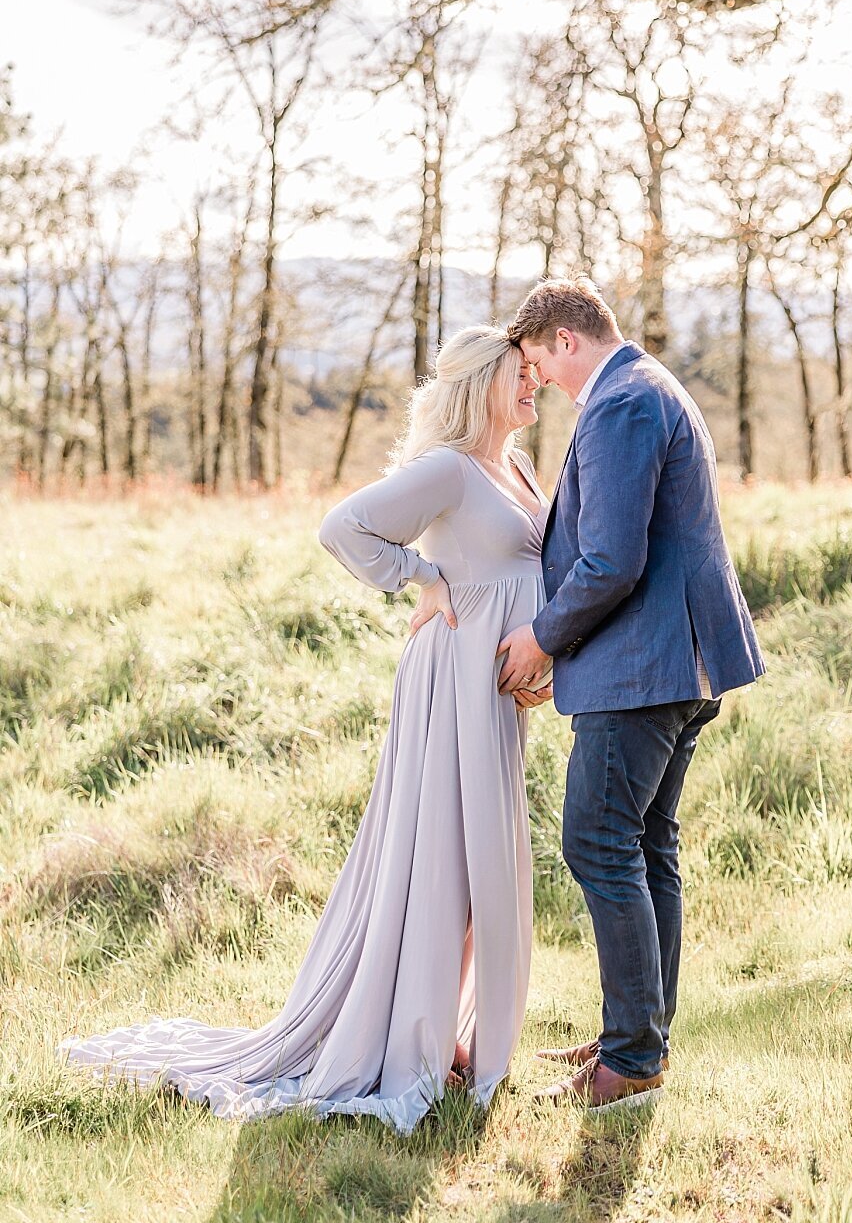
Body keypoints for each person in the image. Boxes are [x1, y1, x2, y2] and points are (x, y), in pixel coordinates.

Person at [57, 327, 553, 1135]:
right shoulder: (449, 470)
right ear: (480, 385)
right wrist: (421, 579)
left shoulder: (520, 467)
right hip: (449, 681)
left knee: (483, 865)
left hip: (495, 692)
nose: (536, 386)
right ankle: (419, 1040)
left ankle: (456, 1037)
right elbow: (344, 528)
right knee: (446, 858)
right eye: (522, 376)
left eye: (537, 374)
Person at [496, 278, 765, 1113]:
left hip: (643, 670)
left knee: (598, 843)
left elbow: (610, 559)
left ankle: (633, 1058)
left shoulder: (616, 405)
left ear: (565, 340)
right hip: (675, 662)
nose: (537, 379)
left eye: (538, 361)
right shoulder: (649, 386)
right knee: (646, 847)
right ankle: (640, 1036)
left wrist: (542, 637)